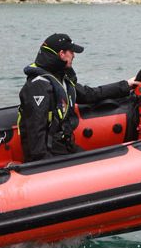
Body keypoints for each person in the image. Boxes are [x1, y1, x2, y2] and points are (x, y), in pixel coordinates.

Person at [17, 33, 131, 162]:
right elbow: (35, 136)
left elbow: (89, 94)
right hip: (50, 155)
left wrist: (126, 85)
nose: (74, 55)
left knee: (100, 163)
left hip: (64, 147)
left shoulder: (60, 79)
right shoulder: (38, 87)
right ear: (62, 54)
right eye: (71, 52)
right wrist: (45, 167)